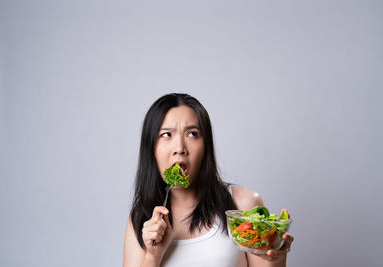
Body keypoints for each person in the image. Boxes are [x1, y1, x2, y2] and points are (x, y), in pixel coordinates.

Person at [123, 93, 294, 267]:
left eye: (192, 134)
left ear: (206, 146)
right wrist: (153, 257)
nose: (180, 148)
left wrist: (277, 259)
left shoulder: (243, 204)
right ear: (151, 148)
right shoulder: (141, 218)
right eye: (166, 135)